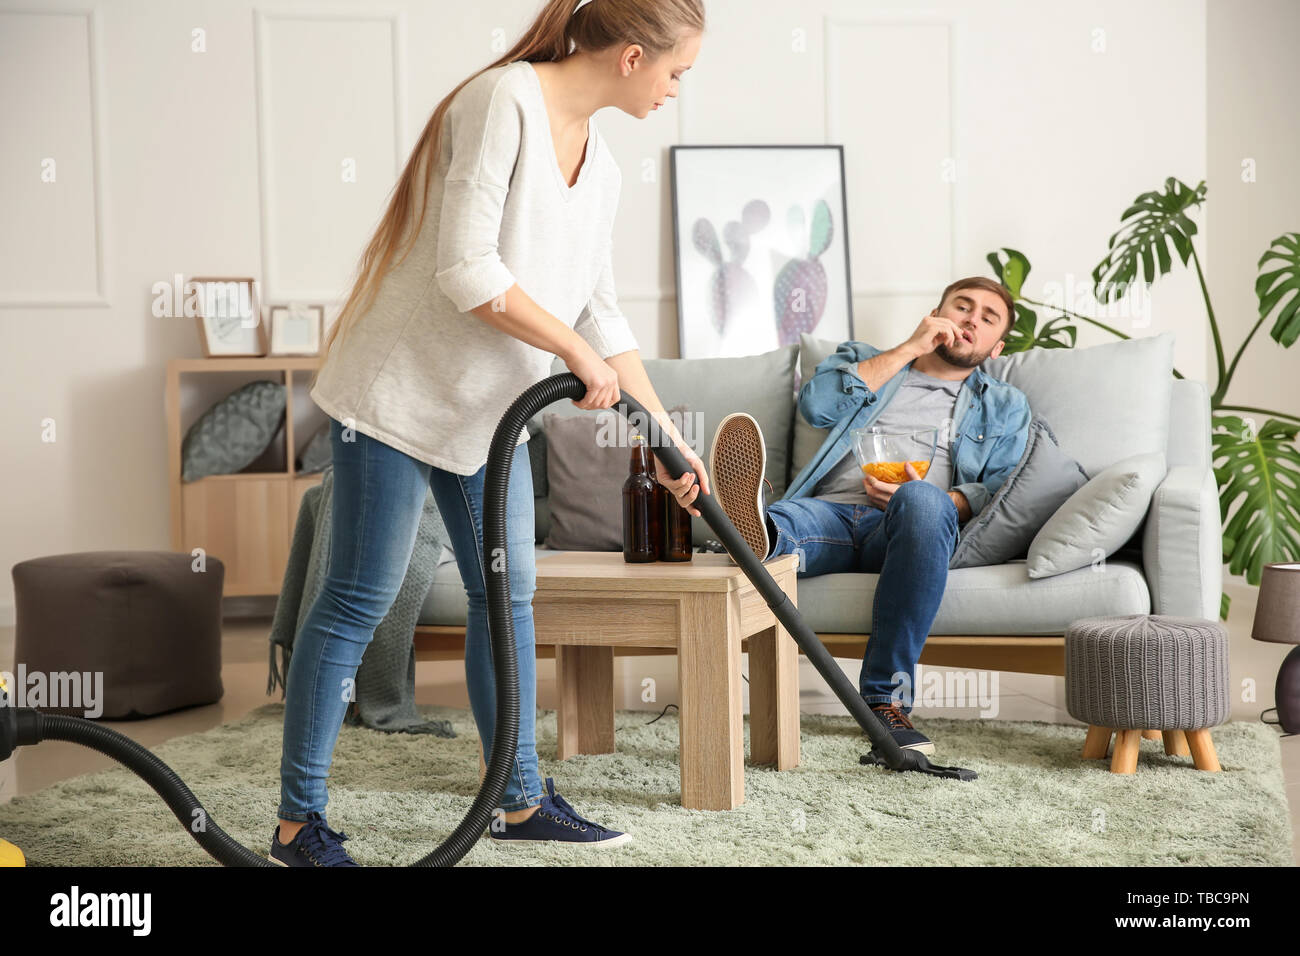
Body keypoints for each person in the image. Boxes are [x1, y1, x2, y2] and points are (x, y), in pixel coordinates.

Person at [270, 0, 709, 866]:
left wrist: (665, 437)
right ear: (630, 57)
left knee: (504, 603)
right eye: (676, 72)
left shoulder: (607, 170)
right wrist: (579, 354)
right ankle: (296, 825)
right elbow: (466, 268)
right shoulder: (502, 100)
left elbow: (604, 312)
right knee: (357, 597)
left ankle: (517, 800)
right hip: (398, 396)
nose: (676, 90)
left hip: (486, 420)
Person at [704, 277, 1032, 756]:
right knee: (788, 522)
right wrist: (907, 349)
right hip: (830, 515)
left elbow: (1002, 489)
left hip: (911, 527)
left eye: (987, 318)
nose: (971, 320)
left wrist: (934, 497)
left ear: (996, 345)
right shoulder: (865, 359)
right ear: (936, 313)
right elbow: (816, 406)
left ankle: (885, 705)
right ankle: (755, 533)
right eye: (962, 307)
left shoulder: (1004, 405)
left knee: (922, 499)